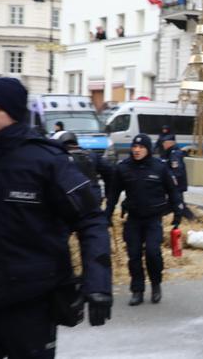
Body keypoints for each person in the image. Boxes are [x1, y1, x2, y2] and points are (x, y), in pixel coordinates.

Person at [0, 77, 112, 358]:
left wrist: (98, 284)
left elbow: (91, 220)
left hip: (31, 303)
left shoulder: (46, 161)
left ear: (11, 112)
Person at [105, 134, 184, 306]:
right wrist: (107, 214)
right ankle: (137, 290)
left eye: (141, 147)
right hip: (133, 219)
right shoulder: (123, 168)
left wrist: (178, 212)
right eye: (134, 147)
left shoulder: (159, 168)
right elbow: (113, 194)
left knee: (152, 253)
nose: (136, 150)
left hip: (153, 219)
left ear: (148, 149)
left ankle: (156, 284)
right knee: (134, 255)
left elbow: (173, 191)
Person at [55, 130, 113, 206]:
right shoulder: (91, 154)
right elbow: (110, 171)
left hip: (69, 202)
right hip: (93, 198)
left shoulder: (57, 157)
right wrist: (107, 194)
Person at [161, 134, 195, 220]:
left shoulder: (174, 154)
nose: (163, 145)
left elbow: (176, 170)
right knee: (175, 203)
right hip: (175, 184)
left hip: (177, 184)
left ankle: (192, 219)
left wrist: (171, 180)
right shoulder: (170, 152)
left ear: (170, 143)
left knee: (177, 203)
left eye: (164, 143)